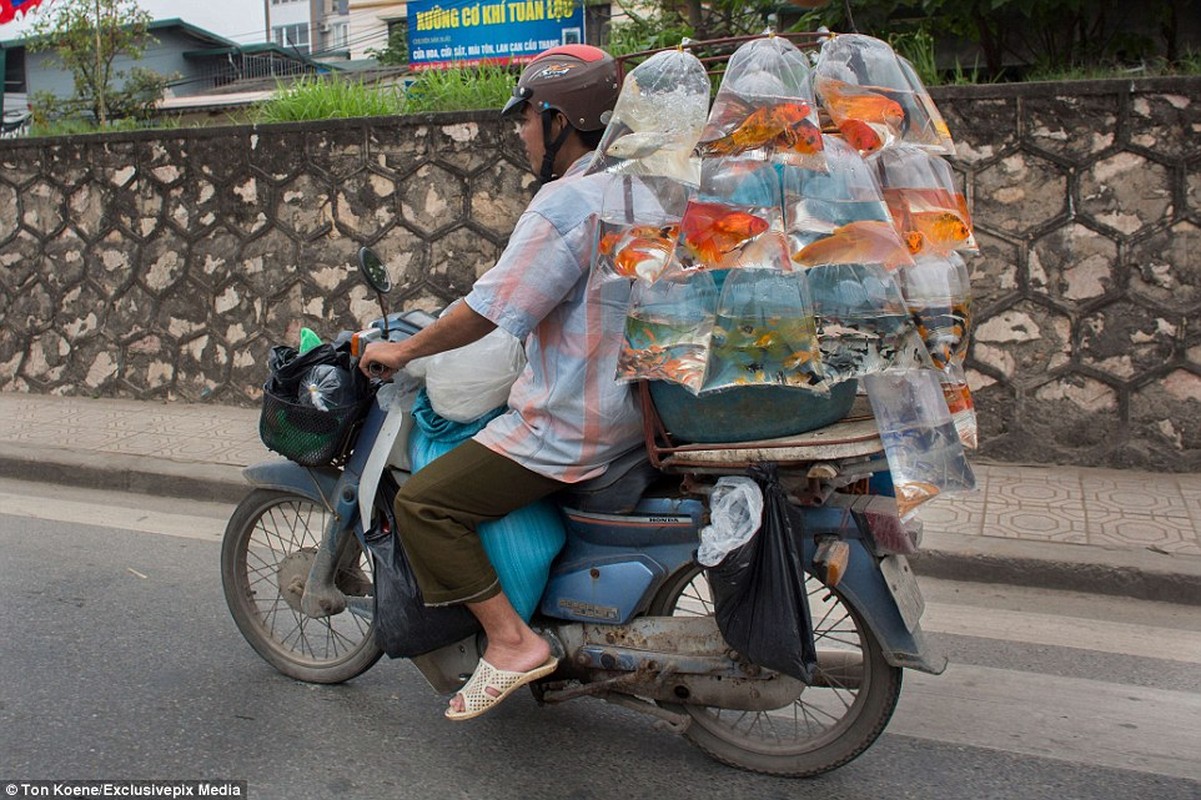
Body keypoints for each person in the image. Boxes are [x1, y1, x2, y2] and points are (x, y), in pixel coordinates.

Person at [358, 44, 645, 721]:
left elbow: (488, 311)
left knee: (425, 504)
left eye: (523, 118)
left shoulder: (569, 202)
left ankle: (511, 641)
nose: (519, 132)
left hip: (574, 422)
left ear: (557, 118)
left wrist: (402, 353)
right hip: (638, 410)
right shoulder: (642, 187)